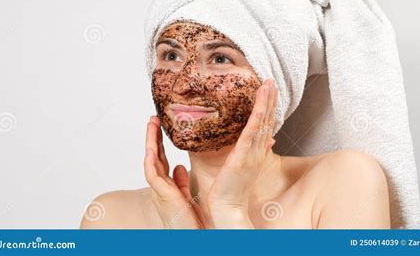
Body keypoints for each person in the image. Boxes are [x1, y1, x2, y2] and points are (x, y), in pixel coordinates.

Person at [80, 20, 390, 229]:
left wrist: (230, 214)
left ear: (274, 78)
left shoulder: (343, 182)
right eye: (171, 54)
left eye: (219, 59)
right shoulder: (110, 218)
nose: (185, 83)